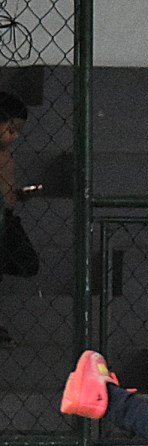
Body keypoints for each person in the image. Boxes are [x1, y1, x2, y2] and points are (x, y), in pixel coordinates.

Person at [0, 91, 39, 347]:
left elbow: (6, 197)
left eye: (18, 131)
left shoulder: (6, 159)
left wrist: (17, 195)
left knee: (27, 262)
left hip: (5, 219)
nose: (14, 136)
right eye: (10, 128)